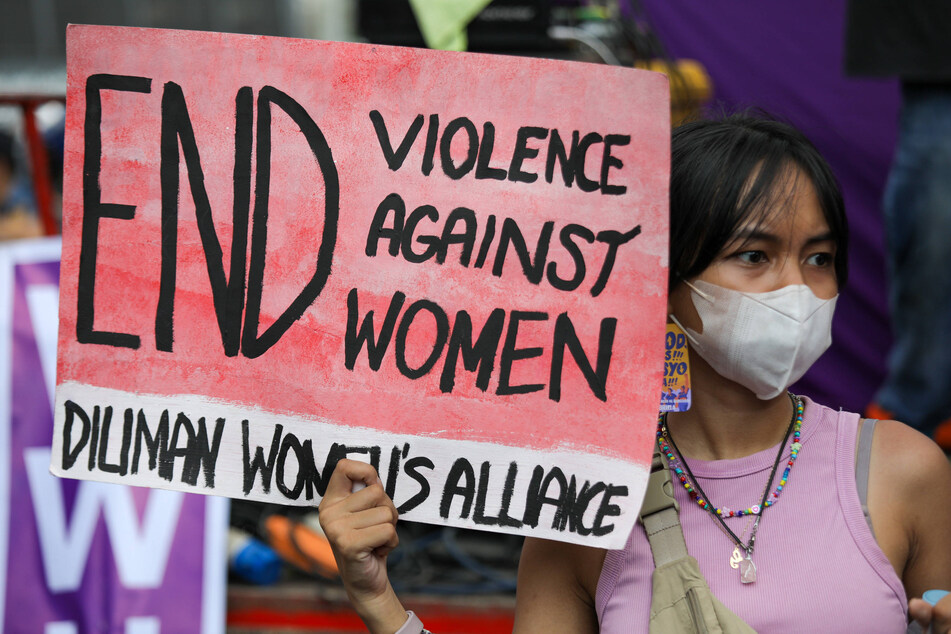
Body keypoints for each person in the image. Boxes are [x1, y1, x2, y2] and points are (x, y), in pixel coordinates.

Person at [318, 114, 951, 633]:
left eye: (820, 257)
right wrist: (380, 604)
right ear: (661, 278)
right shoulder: (582, 504)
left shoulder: (905, 472)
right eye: (754, 255)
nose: (797, 288)